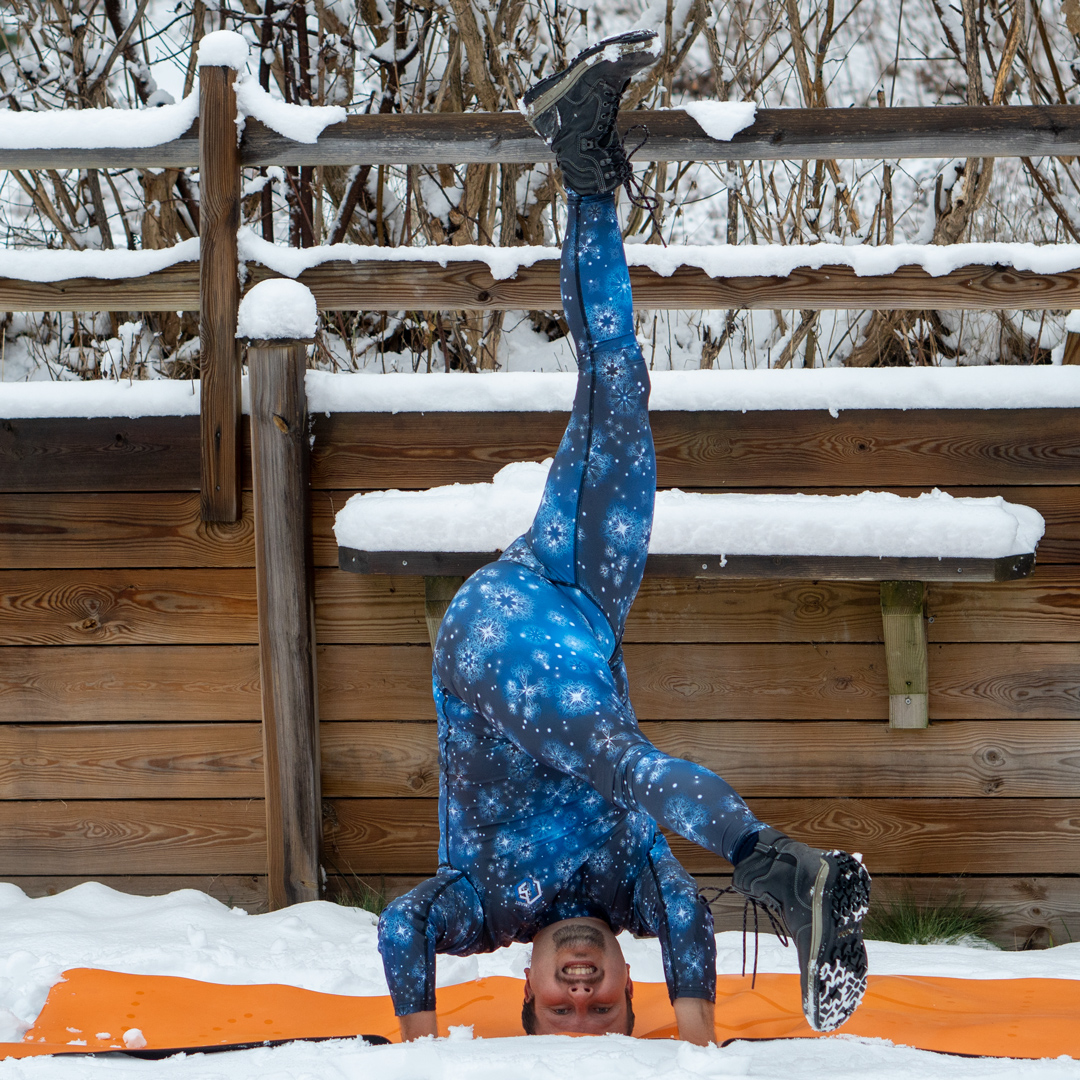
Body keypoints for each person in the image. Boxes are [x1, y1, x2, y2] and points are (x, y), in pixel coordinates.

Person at [377, 30, 870, 1045]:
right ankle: (583, 161)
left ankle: (785, 866)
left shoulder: (483, 913)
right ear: (631, 989)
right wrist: (695, 1038)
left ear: (525, 993)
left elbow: (400, 922)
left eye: (562, 1008)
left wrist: (419, 1053)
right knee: (619, 390)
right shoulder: (642, 891)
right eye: (602, 1004)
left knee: (610, 751)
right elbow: (687, 917)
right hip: (576, 602)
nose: (581, 988)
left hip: (491, 647)